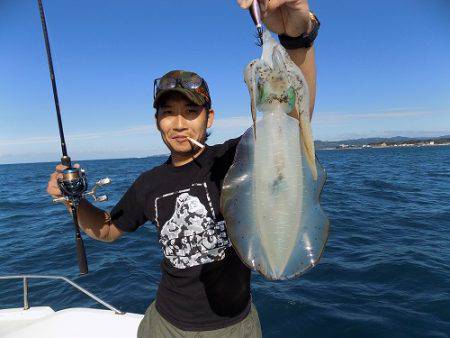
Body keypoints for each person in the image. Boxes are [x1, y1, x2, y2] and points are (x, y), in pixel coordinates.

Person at [46, 1, 318, 336]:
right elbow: (106, 230)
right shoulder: (149, 183)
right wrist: (74, 201)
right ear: (157, 121)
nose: (178, 123)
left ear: (210, 118)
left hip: (233, 327)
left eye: (191, 111)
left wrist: (298, 39)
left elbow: (294, 119)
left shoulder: (235, 157)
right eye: (167, 112)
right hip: (164, 323)